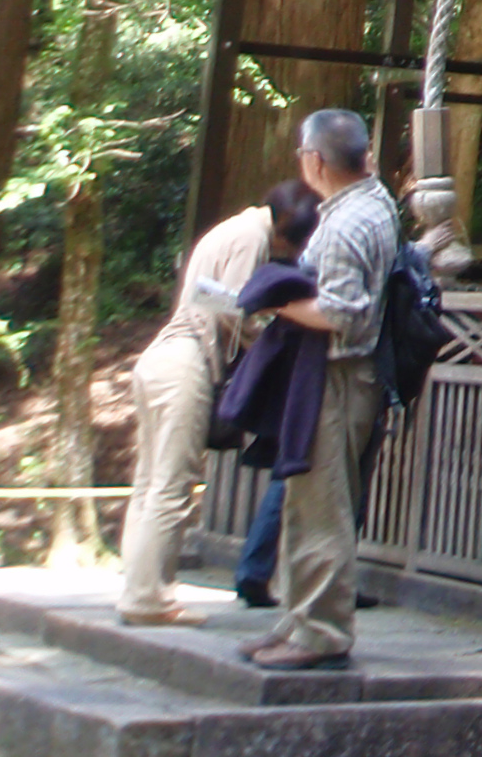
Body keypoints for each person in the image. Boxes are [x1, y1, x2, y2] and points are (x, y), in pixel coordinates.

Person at [114, 178, 319, 625]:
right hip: (186, 359)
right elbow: (236, 309)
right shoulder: (252, 236)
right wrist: (272, 340)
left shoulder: (237, 227)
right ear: (288, 231)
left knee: (150, 483)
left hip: (160, 358)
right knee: (173, 484)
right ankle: (149, 598)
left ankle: (139, 588)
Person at [243, 108, 396, 674]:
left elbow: (343, 313)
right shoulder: (372, 202)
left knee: (322, 506)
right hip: (343, 375)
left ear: (313, 161)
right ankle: (295, 619)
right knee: (306, 504)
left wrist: (274, 299)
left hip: (337, 374)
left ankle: (323, 630)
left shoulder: (346, 222)